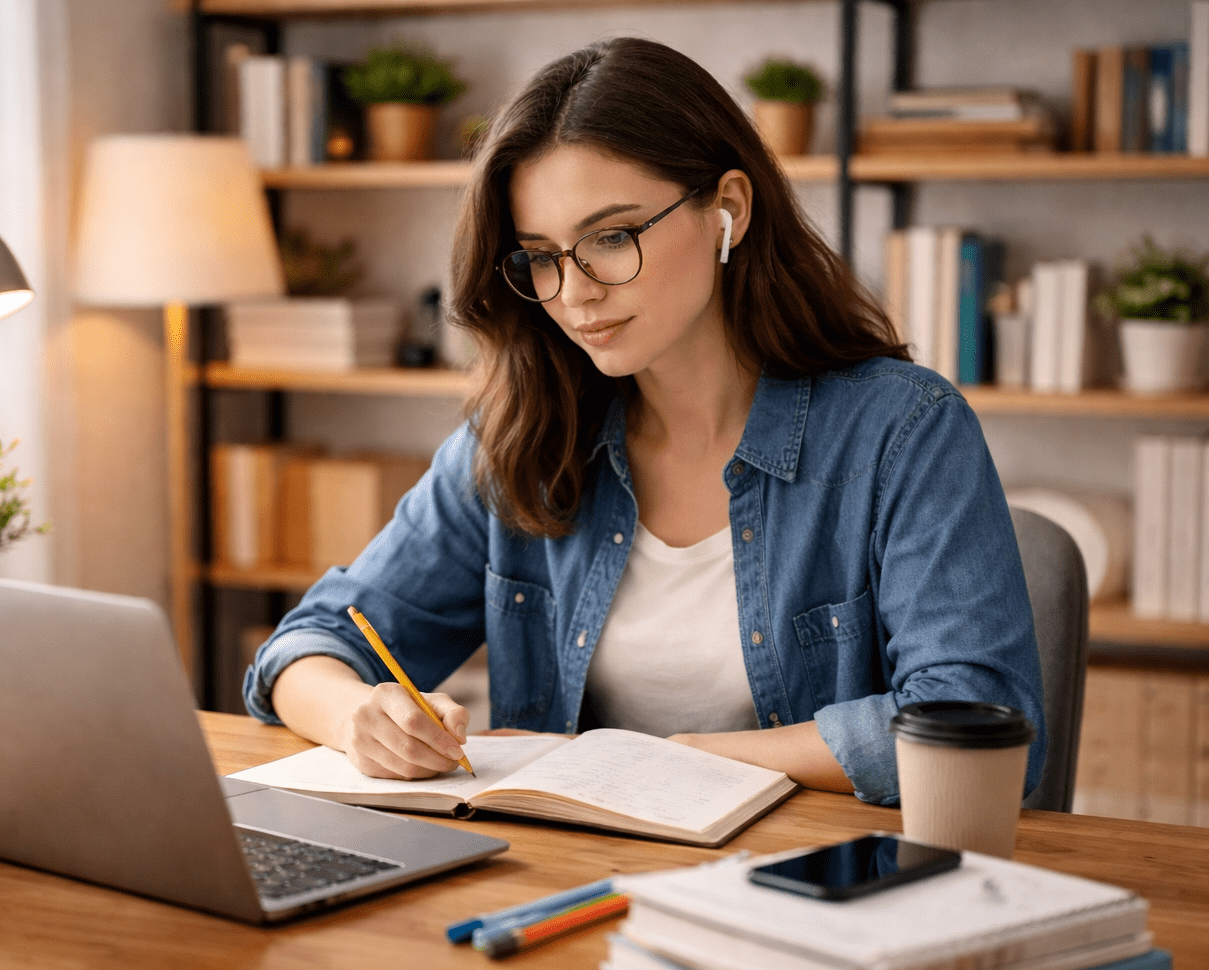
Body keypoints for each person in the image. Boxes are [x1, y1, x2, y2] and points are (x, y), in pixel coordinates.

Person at [242, 37, 1045, 806]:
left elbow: (983, 721)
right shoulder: (522, 436)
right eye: (542, 256)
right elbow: (307, 647)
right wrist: (359, 719)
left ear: (728, 208)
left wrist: (677, 761)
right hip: (567, 885)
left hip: (813, 897)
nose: (575, 291)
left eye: (611, 237)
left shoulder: (902, 430)